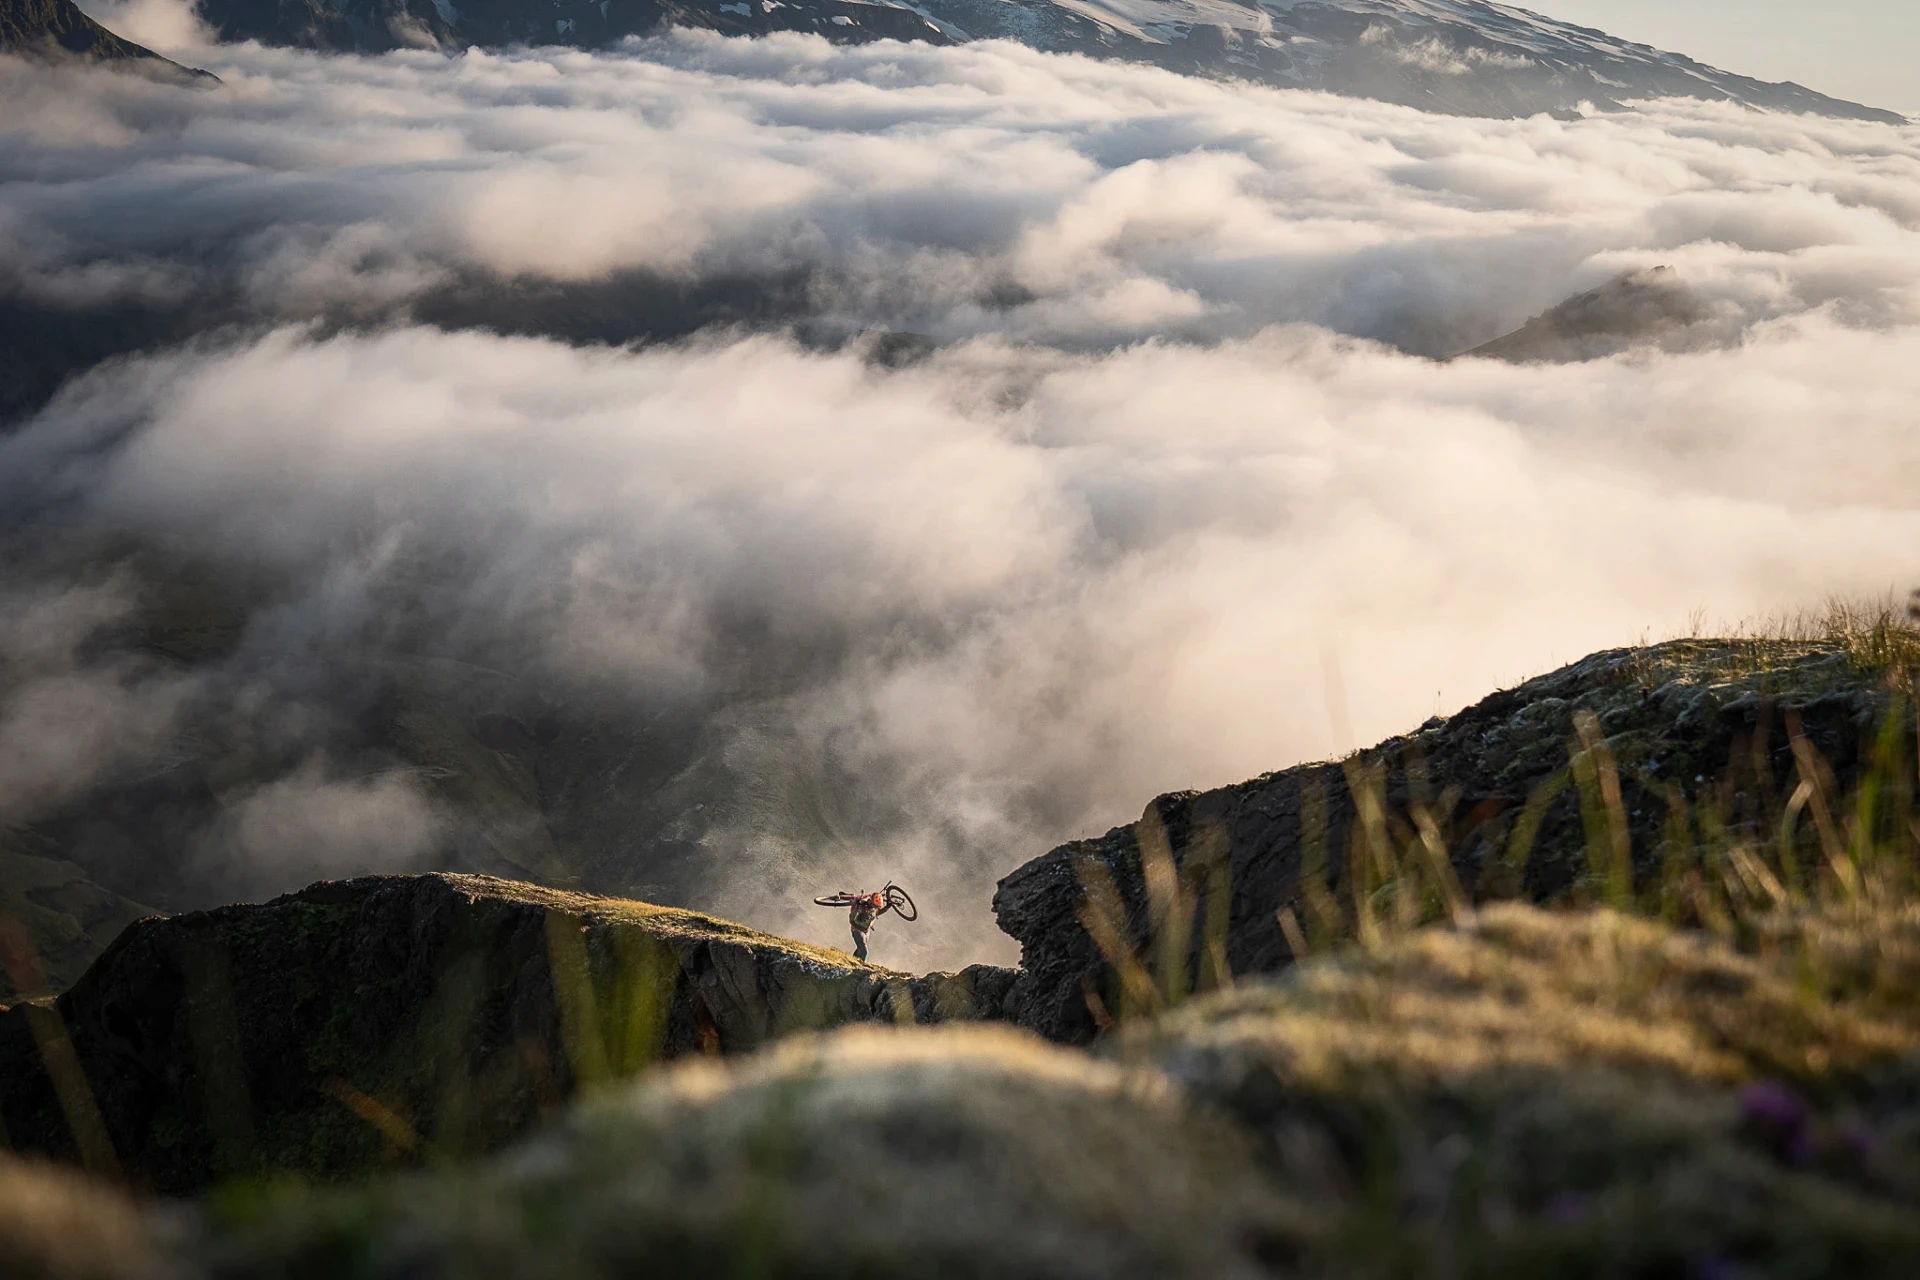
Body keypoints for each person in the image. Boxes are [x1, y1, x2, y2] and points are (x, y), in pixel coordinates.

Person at [844, 890, 886, 962]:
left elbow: (878, 913)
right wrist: (857, 909)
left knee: (860, 948)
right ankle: (862, 966)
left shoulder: (873, 909)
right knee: (864, 951)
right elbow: (852, 919)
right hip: (857, 931)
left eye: (877, 907)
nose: (875, 908)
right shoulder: (862, 908)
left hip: (866, 931)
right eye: (875, 906)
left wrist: (889, 906)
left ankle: (852, 961)